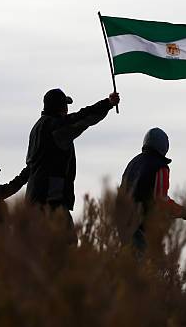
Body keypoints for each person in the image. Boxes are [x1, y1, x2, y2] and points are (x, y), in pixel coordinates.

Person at [25, 88, 120, 237]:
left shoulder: (37, 128)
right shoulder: (56, 128)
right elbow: (82, 118)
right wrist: (107, 103)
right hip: (51, 202)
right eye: (65, 105)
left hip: (34, 200)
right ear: (60, 108)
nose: (67, 110)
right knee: (66, 248)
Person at [116, 127, 186, 251]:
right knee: (142, 266)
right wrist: (183, 212)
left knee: (127, 261)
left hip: (123, 223)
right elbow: (161, 200)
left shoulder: (133, 162)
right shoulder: (160, 167)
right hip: (141, 227)